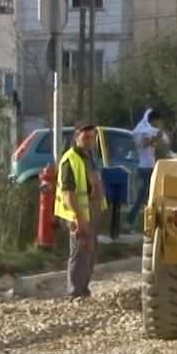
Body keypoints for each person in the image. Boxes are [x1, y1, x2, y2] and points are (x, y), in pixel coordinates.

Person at [55, 122, 107, 299]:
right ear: (76, 137)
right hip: (77, 213)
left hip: (90, 211)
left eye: (92, 137)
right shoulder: (70, 160)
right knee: (80, 251)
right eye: (86, 137)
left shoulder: (89, 156)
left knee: (89, 252)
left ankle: (83, 290)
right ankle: (75, 292)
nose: (90, 140)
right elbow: (68, 192)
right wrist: (79, 217)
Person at [126, 109, 164, 231]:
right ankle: (130, 221)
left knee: (149, 197)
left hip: (150, 166)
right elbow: (144, 144)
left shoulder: (148, 131)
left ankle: (145, 223)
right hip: (144, 167)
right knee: (142, 196)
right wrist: (156, 137)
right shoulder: (144, 132)